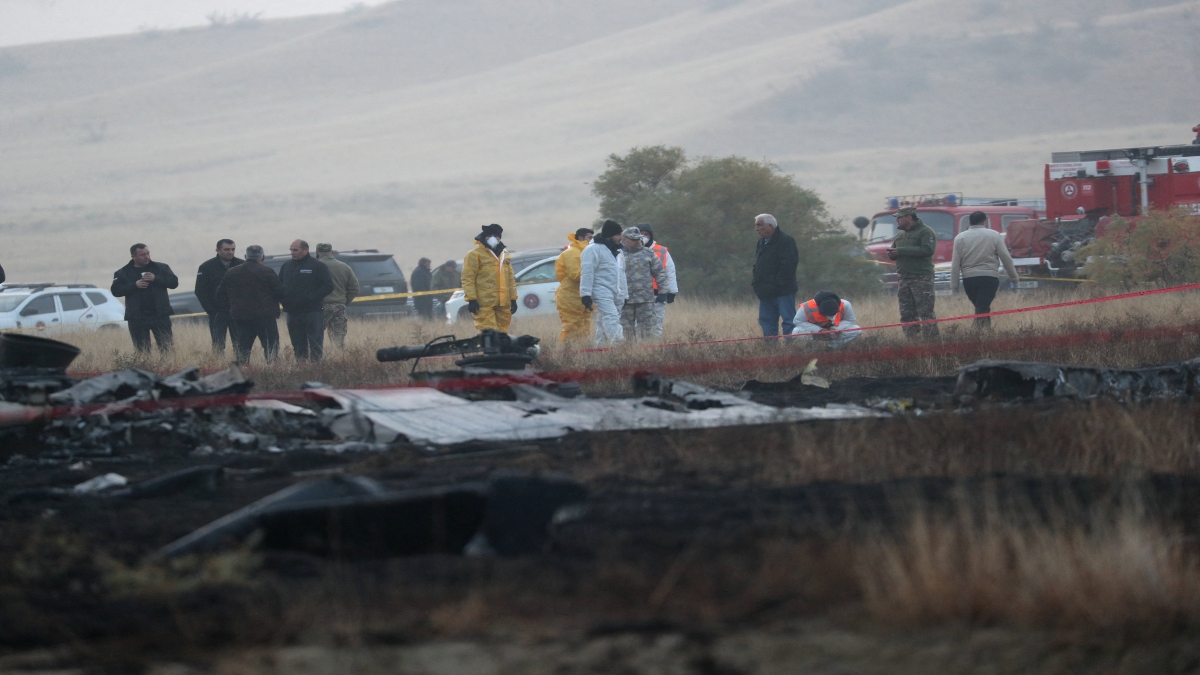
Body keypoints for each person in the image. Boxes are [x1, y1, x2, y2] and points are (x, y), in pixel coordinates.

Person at [215, 245, 283, 364]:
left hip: (242, 318)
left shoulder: (231, 272)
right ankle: (272, 371)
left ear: (246, 256)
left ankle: (242, 374)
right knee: (271, 349)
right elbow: (279, 293)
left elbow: (220, 294)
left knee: (242, 350)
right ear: (263, 257)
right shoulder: (267, 272)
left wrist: (233, 306)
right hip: (265, 317)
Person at [951, 211, 1019, 329]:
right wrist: (1014, 278)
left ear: (969, 222)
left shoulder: (960, 238)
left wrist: (954, 286)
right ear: (984, 222)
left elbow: (955, 264)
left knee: (981, 307)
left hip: (969, 279)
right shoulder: (994, 235)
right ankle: (979, 332)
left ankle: (984, 334)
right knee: (982, 307)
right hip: (989, 277)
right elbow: (1006, 258)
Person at [111, 243, 178, 354]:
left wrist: (155, 278)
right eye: (142, 255)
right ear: (133, 256)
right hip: (137, 317)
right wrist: (134, 285)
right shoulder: (123, 272)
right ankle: (145, 368)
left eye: (147, 253)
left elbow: (174, 283)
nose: (146, 256)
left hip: (160, 315)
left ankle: (167, 368)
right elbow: (115, 291)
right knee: (142, 350)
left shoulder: (161, 268)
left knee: (167, 348)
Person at [887, 206, 939, 339]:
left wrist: (901, 251)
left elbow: (927, 250)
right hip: (903, 278)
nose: (897, 220)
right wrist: (892, 254)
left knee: (925, 312)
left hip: (921, 278)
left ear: (909, 217)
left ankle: (932, 342)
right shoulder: (900, 235)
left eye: (899, 217)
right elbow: (895, 252)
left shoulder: (925, 232)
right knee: (906, 313)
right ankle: (912, 341)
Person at [280, 239, 334, 361]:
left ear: (305, 250)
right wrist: (284, 300)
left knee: (315, 343)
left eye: (295, 250)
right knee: (298, 345)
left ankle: (316, 368)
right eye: (291, 250)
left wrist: (311, 297)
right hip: (293, 312)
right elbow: (279, 285)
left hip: (312, 312)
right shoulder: (286, 266)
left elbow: (328, 286)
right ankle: (301, 368)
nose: (292, 253)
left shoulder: (317, 266)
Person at [462, 224, 518, 333]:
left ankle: (501, 350)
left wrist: (513, 298)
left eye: (496, 235)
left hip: (503, 303)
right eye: (489, 235)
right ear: (484, 236)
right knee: (490, 333)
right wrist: (471, 299)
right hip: (484, 303)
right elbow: (468, 278)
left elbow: (510, 278)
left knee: (502, 333)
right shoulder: (474, 255)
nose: (492, 238)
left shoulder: (504, 255)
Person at [579, 219, 627, 346]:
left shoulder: (619, 251)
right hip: (600, 291)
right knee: (611, 318)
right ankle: (620, 347)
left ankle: (601, 350)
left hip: (617, 292)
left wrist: (625, 295)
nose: (620, 238)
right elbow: (587, 272)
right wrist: (585, 294)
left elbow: (622, 274)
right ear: (609, 235)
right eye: (618, 235)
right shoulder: (593, 249)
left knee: (602, 322)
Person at [752, 214, 799, 339]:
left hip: (784, 291)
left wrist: (775, 285)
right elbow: (759, 265)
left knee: (789, 321)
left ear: (770, 226)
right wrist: (756, 284)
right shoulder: (761, 242)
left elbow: (788, 266)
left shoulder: (786, 240)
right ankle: (771, 351)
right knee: (766, 322)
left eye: (759, 225)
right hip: (765, 292)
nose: (756, 229)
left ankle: (792, 350)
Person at [194, 238, 244, 354]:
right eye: (227, 249)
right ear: (217, 250)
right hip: (217, 312)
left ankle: (242, 366)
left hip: (237, 311)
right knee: (218, 344)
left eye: (233, 249)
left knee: (240, 343)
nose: (230, 252)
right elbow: (200, 291)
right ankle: (218, 366)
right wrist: (211, 310)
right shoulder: (206, 267)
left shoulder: (241, 265)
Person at [620, 226, 666, 342]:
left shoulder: (648, 253)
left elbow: (660, 272)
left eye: (638, 239)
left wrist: (663, 292)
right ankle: (628, 354)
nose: (637, 242)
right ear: (624, 239)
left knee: (648, 330)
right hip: (625, 300)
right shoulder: (618, 254)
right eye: (633, 239)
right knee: (626, 331)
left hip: (645, 299)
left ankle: (647, 353)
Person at [314, 243, 359, 349]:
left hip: (319, 307)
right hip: (339, 307)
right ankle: (339, 360)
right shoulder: (344, 267)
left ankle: (316, 361)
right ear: (332, 252)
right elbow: (354, 288)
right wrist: (343, 301)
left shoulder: (314, 266)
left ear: (317, 252)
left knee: (314, 337)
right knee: (338, 340)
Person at [638, 224, 677, 339]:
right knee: (637, 325)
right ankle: (638, 350)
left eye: (646, 234)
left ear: (651, 235)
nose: (644, 237)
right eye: (641, 234)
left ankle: (655, 348)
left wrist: (672, 291)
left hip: (657, 294)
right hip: (636, 294)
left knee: (656, 324)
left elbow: (670, 271)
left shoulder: (662, 250)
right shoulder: (627, 251)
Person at [555, 228, 593, 345]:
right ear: (581, 238)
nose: (591, 241)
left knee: (584, 328)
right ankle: (564, 352)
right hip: (570, 297)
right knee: (572, 327)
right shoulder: (571, 253)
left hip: (581, 296)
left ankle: (581, 351)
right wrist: (595, 272)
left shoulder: (585, 252)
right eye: (589, 238)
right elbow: (575, 275)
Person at [791, 290, 862, 349]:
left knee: (856, 330)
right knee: (797, 331)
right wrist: (820, 330)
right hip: (814, 332)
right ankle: (814, 350)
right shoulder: (806, 307)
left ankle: (831, 348)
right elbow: (797, 321)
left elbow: (850, 320)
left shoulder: (845, 304)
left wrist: (834, 329)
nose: (830, 317)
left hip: (834, 333)